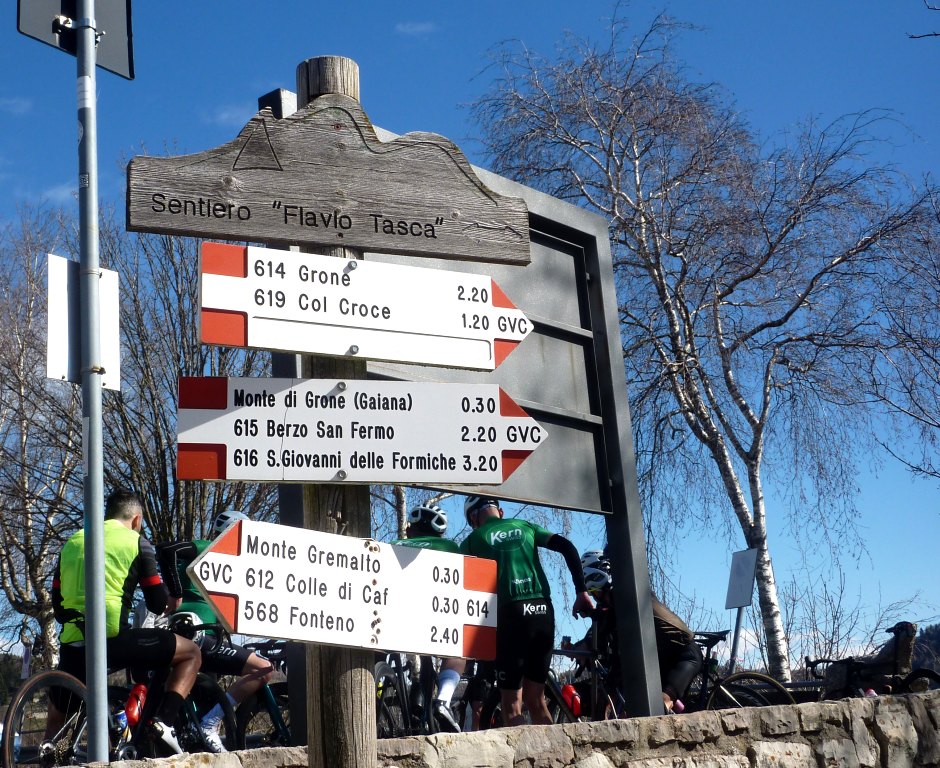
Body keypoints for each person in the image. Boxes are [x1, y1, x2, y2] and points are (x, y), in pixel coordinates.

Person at [52, 489, 201, 754]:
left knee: (57, 720)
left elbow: (56, 599)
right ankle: (164, 724)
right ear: (137, 520)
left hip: (72, 641)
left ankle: (50, 752)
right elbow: (156, 602)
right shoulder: (136, 541)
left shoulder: (72, 542)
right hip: (112, 639)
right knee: (191, 653)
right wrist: (171, 600)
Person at [459, 496, 594, 726]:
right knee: (536, 699)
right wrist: (581, 592)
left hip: (509, 614)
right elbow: (567, 547)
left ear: (473, 517)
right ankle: (555, 758)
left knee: (512, 705)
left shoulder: (472, 540)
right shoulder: (526, 527)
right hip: (542, 611)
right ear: (500, 511)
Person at [156, 510, 274, 752]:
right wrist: (176, 592)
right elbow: (167, 549)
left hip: (196, 633)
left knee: (205, 696)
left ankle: (199, 728)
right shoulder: (208, 548)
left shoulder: (230, 563)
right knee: (263, 669)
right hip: (199, 632)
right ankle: (211, 723)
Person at [579, 549, 703, 713]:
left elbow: (620, 644)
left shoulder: (627, 598)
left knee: (659, 706)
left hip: (685, 656)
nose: (595, 597)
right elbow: (603, 628)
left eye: (594, 592)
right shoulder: (616, 600)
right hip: (665, 658)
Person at [390, 503, 465, 732]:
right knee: (459, 650)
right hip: (434, 616)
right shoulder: (450, 546)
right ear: (439, 531)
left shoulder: (393, 545)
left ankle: (372, 691)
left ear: (411, 528)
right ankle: (443, 700)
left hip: (393, 615)